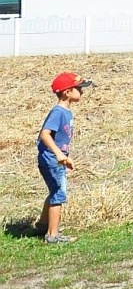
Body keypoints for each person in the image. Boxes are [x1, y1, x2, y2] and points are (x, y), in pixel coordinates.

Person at [38, 71, 92, 244]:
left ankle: (42, 225)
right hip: (52, 160)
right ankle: (52, 235)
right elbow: (45, 134)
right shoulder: (58, 112)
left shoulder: (66, 112)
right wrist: (59, 154)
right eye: (79, 88)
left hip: (56, 159)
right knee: (58, 195)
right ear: (67, 92)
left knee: (54, 191)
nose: (82, 91)